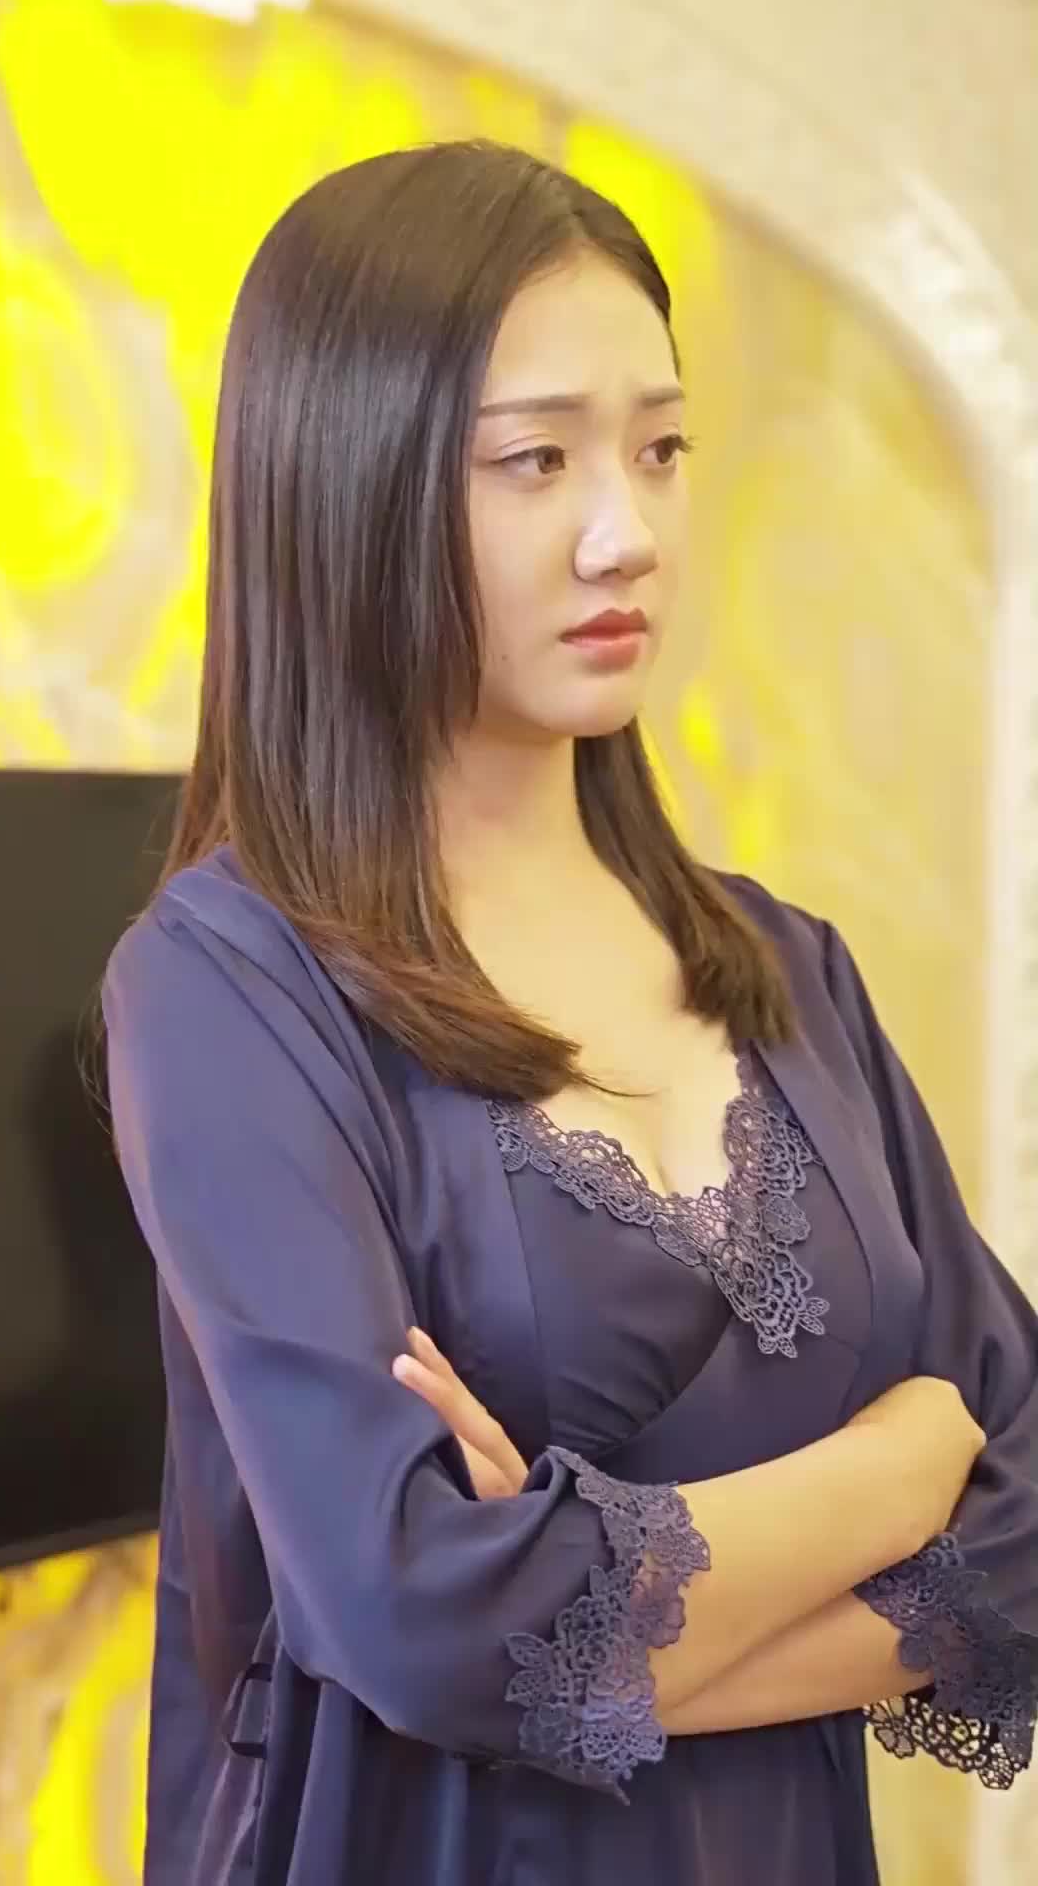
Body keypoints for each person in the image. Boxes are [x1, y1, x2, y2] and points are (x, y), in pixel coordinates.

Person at [102, 139, 1038, 1886]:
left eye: (660, 448)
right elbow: (418, 1617)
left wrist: (586, 1622)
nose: (630, 532)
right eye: (537, 460)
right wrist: (900, 1468)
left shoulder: (789, 967)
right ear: (351, 485)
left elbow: (1035, 1524)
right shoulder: (228, 986)